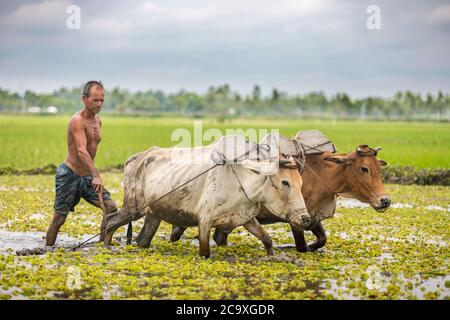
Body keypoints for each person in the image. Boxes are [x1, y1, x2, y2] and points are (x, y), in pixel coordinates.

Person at [45, 81, 118, 246]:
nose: (99, 104)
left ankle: (102, 245)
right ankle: (47, 250)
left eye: (102, 100)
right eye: (95, 100)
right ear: (84, 99)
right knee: (59, 218)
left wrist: (91, 175)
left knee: (111, 208)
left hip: (86, 177)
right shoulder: (76, 121)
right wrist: (96, 175)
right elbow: (81, 150)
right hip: (69, 174)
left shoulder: (98, 122)